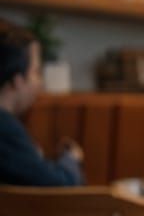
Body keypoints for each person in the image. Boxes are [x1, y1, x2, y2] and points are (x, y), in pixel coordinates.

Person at [0, 20, 82, 186]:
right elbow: (61, 186)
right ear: (17, 80)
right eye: (36, 72)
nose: (40, 83)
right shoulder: (5, 128)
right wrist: (71, 159)